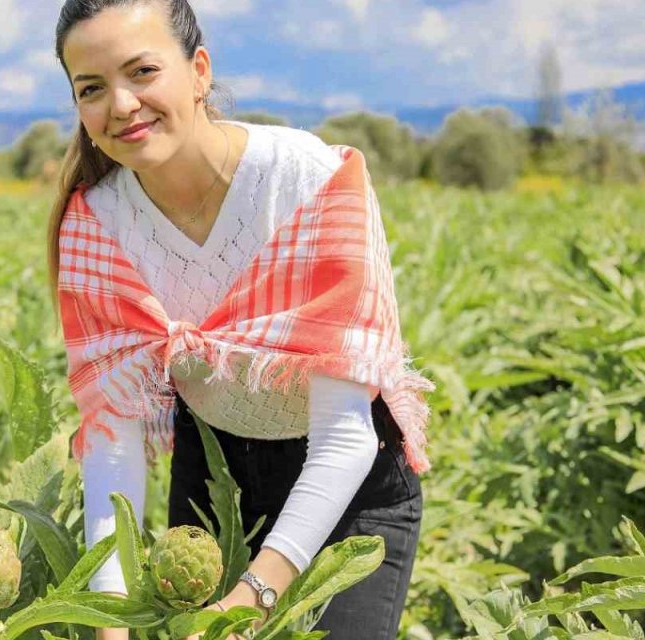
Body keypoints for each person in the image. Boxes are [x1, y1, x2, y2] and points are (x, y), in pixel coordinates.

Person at [46, 2, 435, 639]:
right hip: (211, 472)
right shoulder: (97, 223)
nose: (120, 104)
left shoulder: (309, 180)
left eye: (142, 71)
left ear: (199, 72)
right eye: (91, 88)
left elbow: (348, 435)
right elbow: (111, 438)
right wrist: (108, 618)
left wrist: (251, 598)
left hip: (347, 487)